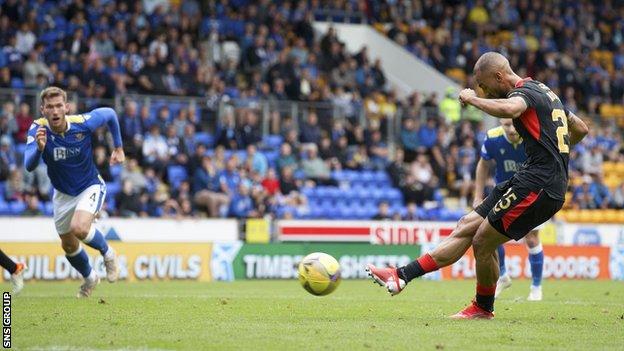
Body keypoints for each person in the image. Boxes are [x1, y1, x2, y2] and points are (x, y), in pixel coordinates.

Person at [367, 52, 588, 319]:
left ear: (498, 76)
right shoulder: (546, 92)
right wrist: (558, 151)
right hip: (529, 178)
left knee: (482, 241)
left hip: (539, 185)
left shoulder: (523, 94)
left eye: (484, 84)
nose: (484, 89)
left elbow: (511, 109)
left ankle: (483, 307)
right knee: (467, 225)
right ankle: (401, 275)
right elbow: (580, 128)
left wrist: (473, 99)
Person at [24, 87, 125, 298]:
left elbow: (110, 114)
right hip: (62, 194)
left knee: (79, 228)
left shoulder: (82, 123)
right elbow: (28, 165)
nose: (55, 110)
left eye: (59, 105)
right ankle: (90, 277)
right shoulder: (38, 129)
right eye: (50, 107)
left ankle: (108, 254)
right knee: (69, 245)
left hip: (89, 185)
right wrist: (40, 149)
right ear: (42, 110)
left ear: (66, 107)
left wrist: (118, 147)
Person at [473, 119, 544, 301]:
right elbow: (483, 164)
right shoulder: (493, 137)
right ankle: (503, 276)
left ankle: (536, 287)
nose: (512, 130)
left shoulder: (533, 137)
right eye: (506, 125)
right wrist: (477, 195)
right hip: (504, 193)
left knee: (531, 237)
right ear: (500, 123)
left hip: (532, 193)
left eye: (514, 125)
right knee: (490, 234)